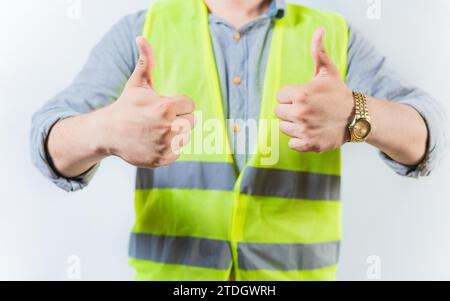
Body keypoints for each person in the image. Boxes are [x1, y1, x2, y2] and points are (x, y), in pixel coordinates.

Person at [30, 0, 447, 281]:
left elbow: (426, 138)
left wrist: (358, 111)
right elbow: (48, 140)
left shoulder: (332, 34)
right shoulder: (143, 30)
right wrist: (104, 131)